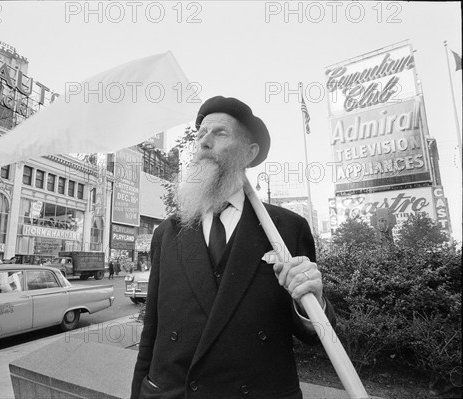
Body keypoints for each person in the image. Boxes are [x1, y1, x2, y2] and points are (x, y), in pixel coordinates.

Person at [131, 96, 336, 399]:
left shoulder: (287, 229)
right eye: (200, 134)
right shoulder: (167, 233)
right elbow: (152, 331)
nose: (204, 142)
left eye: (220, 133)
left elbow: (314, 336)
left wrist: (313, 301)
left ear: (249, 152)